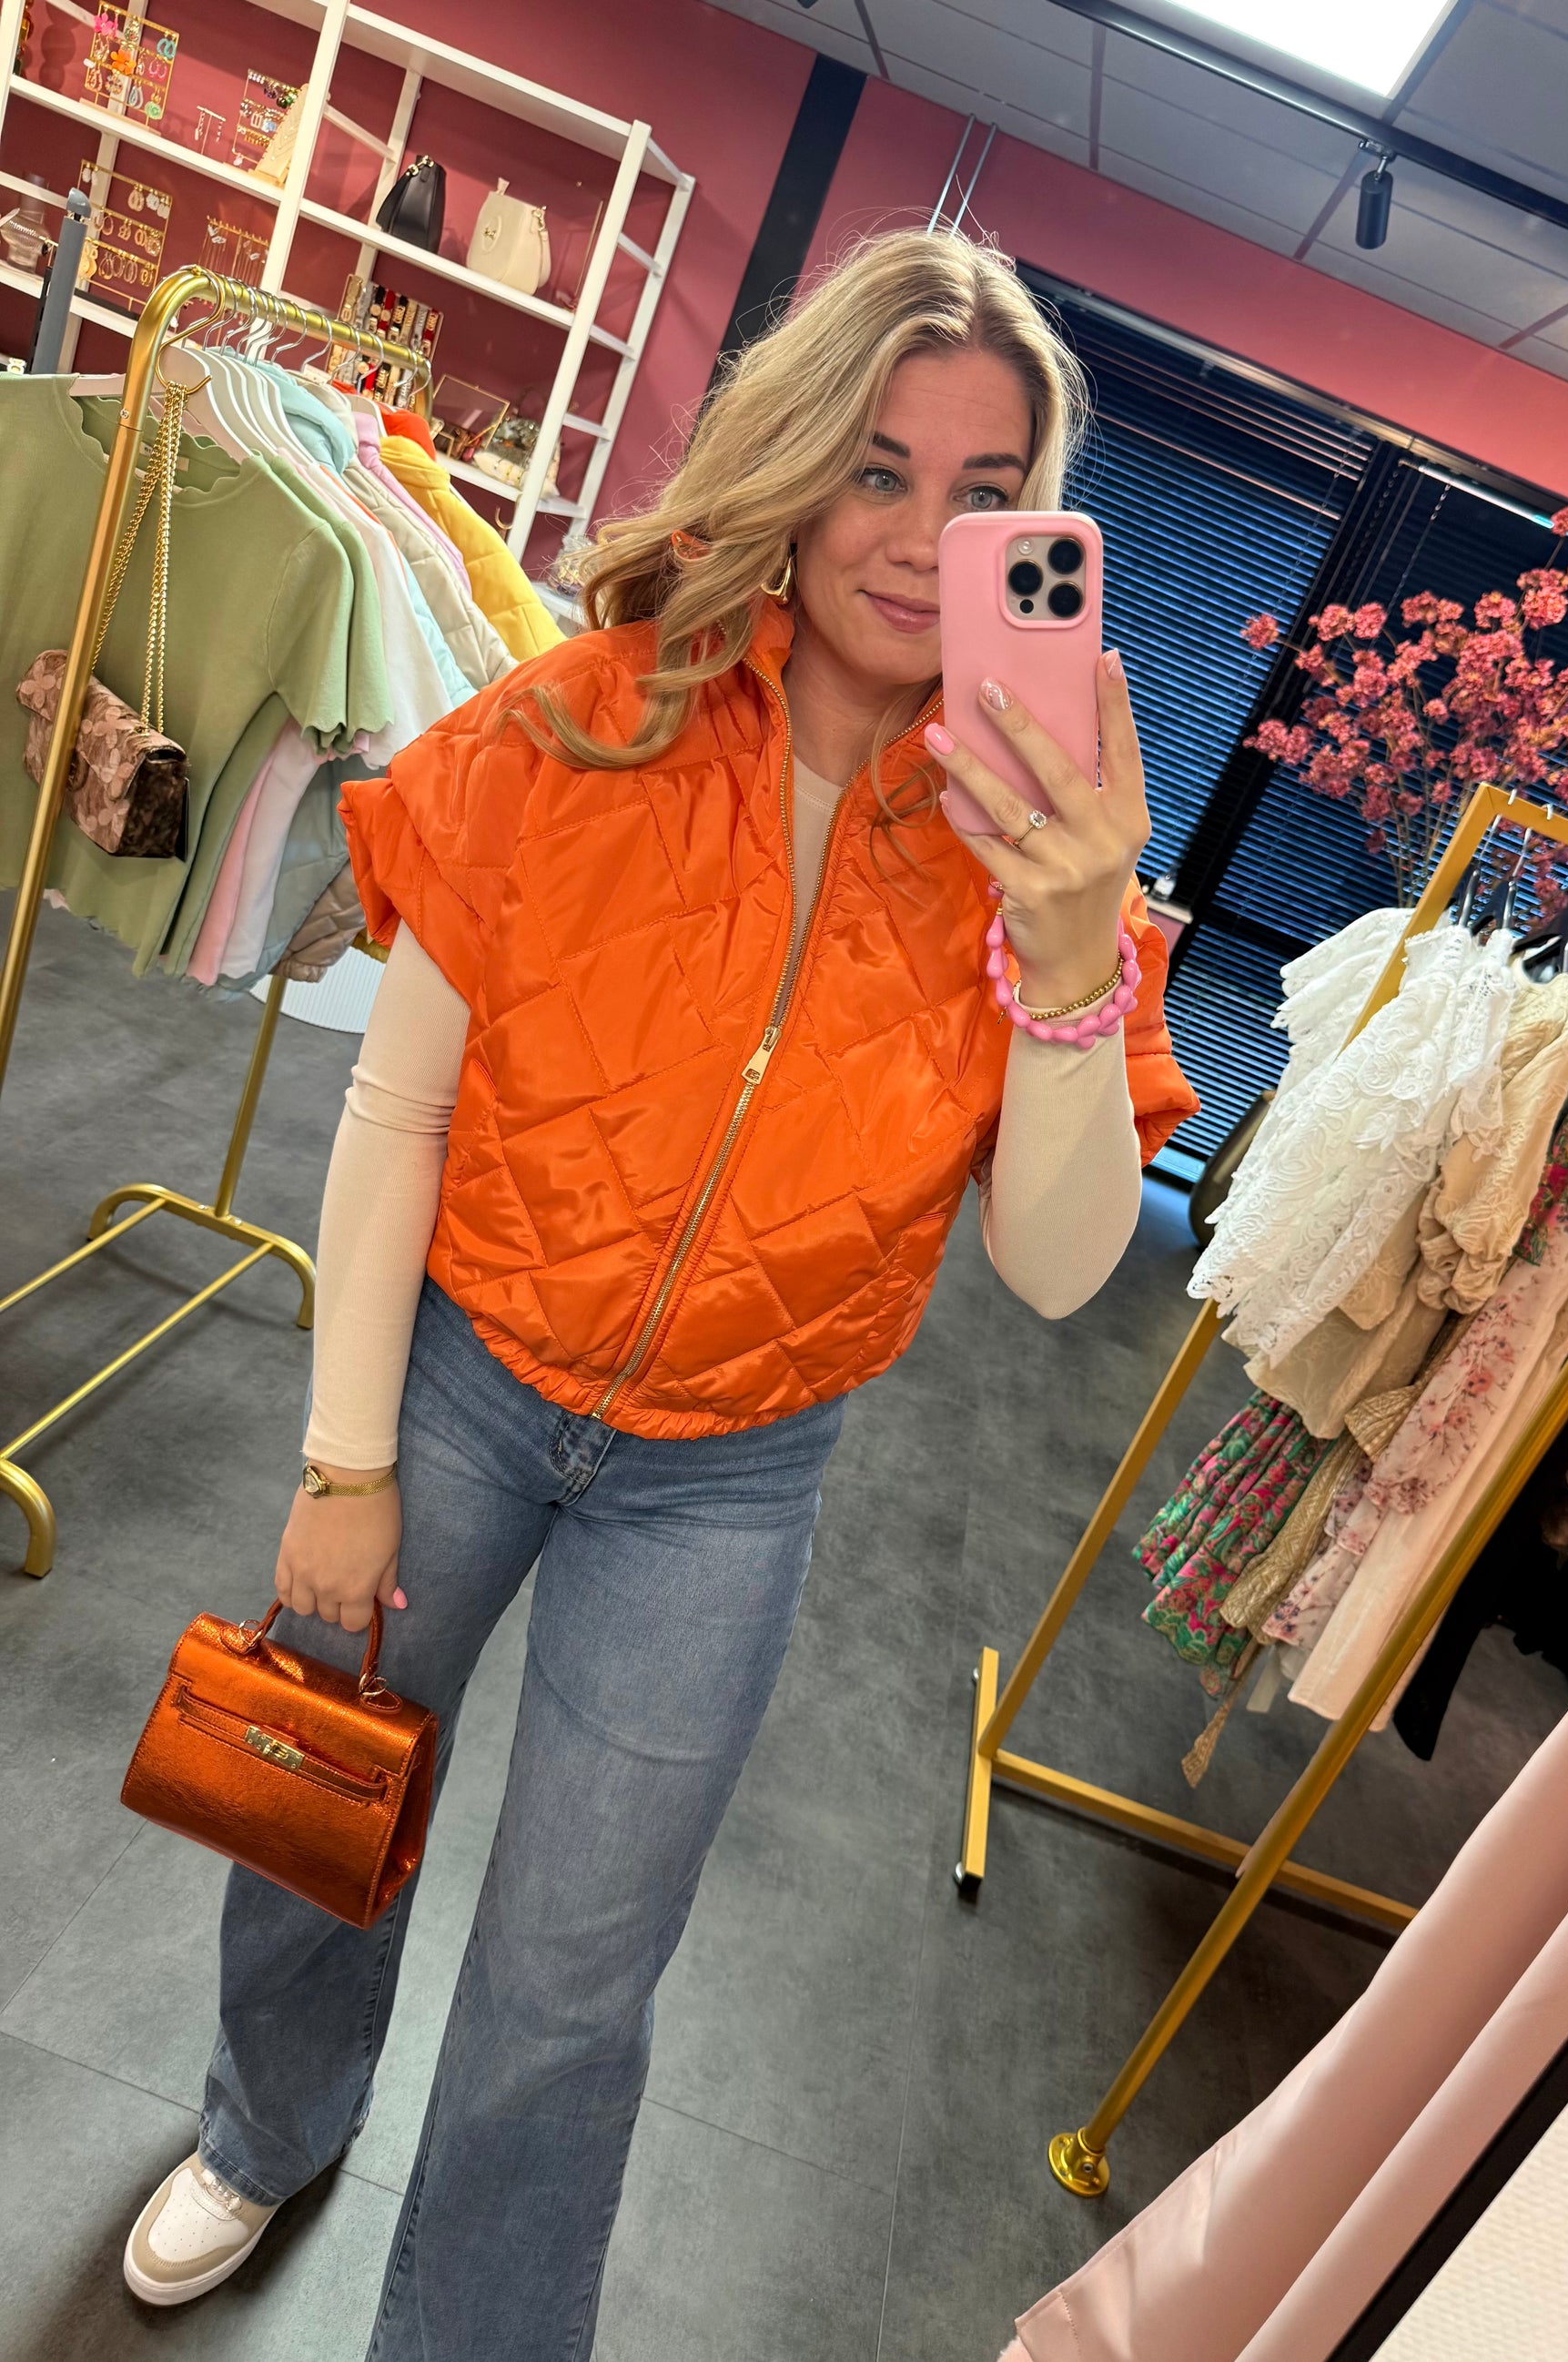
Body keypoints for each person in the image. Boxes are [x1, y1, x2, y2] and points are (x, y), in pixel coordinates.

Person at [122, 230, 1195, 2353]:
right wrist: (344, 1455)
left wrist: (1074, 952)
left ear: (1037, 538)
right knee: (315, 1801)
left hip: (730, 1472)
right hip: (463, 1379)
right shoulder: (577, 727)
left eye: (984, 497)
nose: (917, 535)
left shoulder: (1033, 841)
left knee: (572, 1982)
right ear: (797, 463)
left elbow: (1058, 1262)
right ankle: (267, 2121)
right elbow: (396, 1112)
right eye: (877, 467)